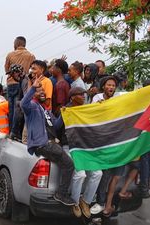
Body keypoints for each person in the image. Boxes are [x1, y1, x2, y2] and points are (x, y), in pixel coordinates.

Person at [21, 75, 75, 206]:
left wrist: (63, 113)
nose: (42, 93)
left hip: (50, 143)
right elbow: (23, 103)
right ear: (34, 94)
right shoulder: (32, 107)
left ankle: (63, 191)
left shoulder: (46, 110)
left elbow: (55, 125)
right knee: (69, 164)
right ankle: (61, 194)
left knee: (66, 163)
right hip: (42, 144)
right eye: (39, 91)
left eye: (43, 91)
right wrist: (33, 88)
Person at [57, 87, 102, 218]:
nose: (83, 97)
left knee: (98, 173)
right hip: (70, 147)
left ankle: (85, 201)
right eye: (80, 95)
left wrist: (99, 108)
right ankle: (75, 201)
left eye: (84, 95)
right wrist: (62, 115)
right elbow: (55, 127)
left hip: (84, 147)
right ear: (72, 97)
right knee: (81, 174)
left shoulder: (85, 109)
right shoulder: (66, 109)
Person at [90, 76, 121, 217]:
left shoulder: (118, 99)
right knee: (103, 174)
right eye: (109, 85)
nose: (111, 87)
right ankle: (99, 201)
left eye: (113, 85)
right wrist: (99, 106)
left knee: (112, 176)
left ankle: (104, 203)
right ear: (104, 86)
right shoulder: (97, 98)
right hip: (100, 143)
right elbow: (91, 115)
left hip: (114, 142)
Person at [5, 36, 35, 131]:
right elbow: (34, 69)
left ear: (17, 44)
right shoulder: (31, 56)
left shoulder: (10, 55)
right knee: (19, 108)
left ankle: (11, 131)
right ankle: (17, 131)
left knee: (11, 108)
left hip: (11, 83)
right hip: (23, 84)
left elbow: (6, 69)